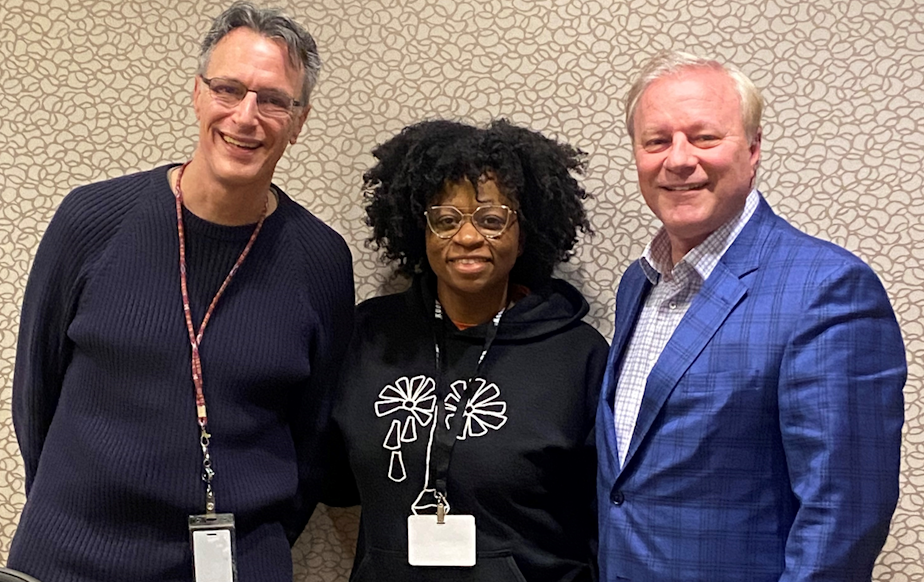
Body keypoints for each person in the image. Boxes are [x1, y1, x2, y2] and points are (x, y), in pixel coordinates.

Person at [8, 3, 354, 581]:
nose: (247, 117)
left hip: (237, 565)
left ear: (299, 120)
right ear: (198, 93)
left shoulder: (320, 259)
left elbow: (314, 434)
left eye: (274, 100)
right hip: (71, 557)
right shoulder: (91, 220)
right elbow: (35, 395)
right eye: (229, 89)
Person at [596, 50, 906, 581]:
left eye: (704, 137)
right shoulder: (637, 283)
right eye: (656, 141)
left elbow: (843, 517)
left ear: (754, 148)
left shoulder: (827, 288)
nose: (678, 159)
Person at [328, 119, 608, 581]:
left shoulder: (577, 356)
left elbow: (600, 513)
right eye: (445, 219)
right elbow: (335, 480)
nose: (468, 237)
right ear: (419, 227)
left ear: (526, 232)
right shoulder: (371, 334)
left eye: (493, 220)